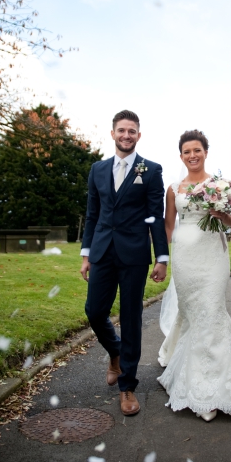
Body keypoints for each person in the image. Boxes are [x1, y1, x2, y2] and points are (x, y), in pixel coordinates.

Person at [157, 130, 231, 421]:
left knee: (211, 310)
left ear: (206, 152)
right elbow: (169, 226)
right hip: (186, 259)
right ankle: (196, 378)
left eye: (197, 150)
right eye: (187, 151)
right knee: (194, 314)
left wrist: (222, 214)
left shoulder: (221, 185)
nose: (192, 155)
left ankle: (216, 387)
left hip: (213, 256)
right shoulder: (174, 188)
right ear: (181, 155)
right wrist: (174, 254)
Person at [80, 110, 170, 416]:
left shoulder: (152, 170)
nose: (126, 135)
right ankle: (115, 353)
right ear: (113, 133)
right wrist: (86, 253)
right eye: (122, 130)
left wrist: (161, 257)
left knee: (131, 317)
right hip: (102, 251)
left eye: (132, 131)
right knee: (94, 311)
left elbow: (155, 217)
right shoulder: (97, 169)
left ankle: (127, 386)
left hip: (134, 254)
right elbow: (92, 215)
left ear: (138, 135)